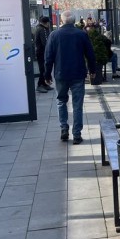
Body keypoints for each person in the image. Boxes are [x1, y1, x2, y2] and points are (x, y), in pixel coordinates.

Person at [44, 10, 96, 144]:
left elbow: (48, 57)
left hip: (60, 74)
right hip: (78, 74)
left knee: (61, 101)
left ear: (62, 21)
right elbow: (90, 54)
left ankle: (64, 129)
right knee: (77, 105)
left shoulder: (54, 35)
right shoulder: (81, 34)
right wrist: (92, 70)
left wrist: (47, 74)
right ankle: (77, 134)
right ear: (74, 21)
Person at [35, 16, 52, 93]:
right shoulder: (42, 30)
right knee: (43, 69)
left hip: (41, 52)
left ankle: (44, 84)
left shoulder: (40, 28)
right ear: (47, 23)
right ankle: (39, 85)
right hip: (42, 52)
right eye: (49, 22)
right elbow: (45, 42)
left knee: (43, 68)